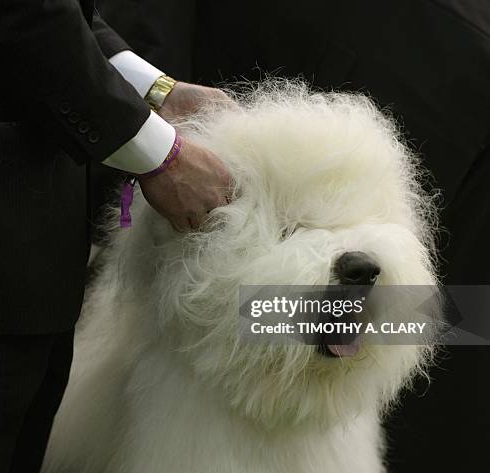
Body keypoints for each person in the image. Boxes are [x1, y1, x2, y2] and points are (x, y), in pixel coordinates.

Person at [98, 0, 490, 471]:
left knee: (401, 346)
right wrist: (144, 142)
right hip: (232, 172)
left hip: (418, 180)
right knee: (218, 351)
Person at [0, 1, 233, 472]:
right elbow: (18, 13)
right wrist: (158, 153)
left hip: (21, 264)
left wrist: (155, 89)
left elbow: (63, 11)